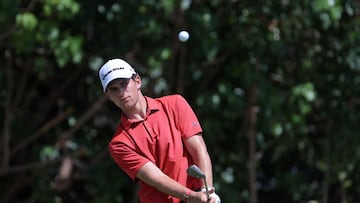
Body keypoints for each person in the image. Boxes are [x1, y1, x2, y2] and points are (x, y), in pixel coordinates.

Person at [98, 58, 221, 203]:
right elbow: (157, 178)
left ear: (137, 81)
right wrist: (192, 197)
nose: (121, 92)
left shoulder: (175, 104)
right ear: (109, 96)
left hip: (197, 194)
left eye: (124, 84)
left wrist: (207, 191)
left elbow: (198, 149)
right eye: (114, 89)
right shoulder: (119, 143)